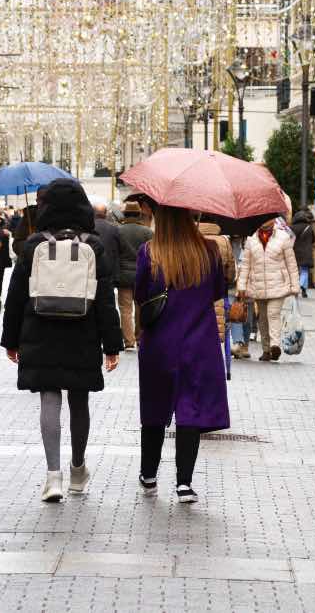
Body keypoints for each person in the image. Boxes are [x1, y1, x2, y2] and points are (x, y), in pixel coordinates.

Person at [1, 179, 122, 502]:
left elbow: (15, 297)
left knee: (49, 399)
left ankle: (53, 475)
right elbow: (106, 301)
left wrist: (10, 339)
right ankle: (78, 469)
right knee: (79, 401)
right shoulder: (93, 246)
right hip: (82, 331)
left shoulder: (34, 244)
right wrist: (112, 345)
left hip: (40, 330)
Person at [136, 205, 230, 503]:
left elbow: (140, 294)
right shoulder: (209, 251)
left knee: (155, 408)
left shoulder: (150, 252)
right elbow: (217, 291)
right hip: (199, 342)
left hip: (159, 342)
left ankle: (149, 475)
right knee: (190, 409)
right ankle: (184, 483)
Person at [236, 217, 300, 362]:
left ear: (274, 220)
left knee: (273, 314)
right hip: (258, 286)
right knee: (262, 319)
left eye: (269, 218)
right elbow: (246, 265)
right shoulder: (251, 239)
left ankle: (275, 346)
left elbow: (291, 263)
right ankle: (266, 350)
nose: (265, 221)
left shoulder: (284, 238)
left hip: (278, 285)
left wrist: (295, 286)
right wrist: (241, 286)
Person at [116, 201, 154, 351]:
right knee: (141, 307)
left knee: (125, 309)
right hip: (142, 274)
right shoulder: (148, 232)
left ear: (125, 214)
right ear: (139, 215)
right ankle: (140, 338)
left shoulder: (118, 231)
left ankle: (129, 341)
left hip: (124, 274)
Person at [198, 220, 237, 348]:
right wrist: (228, 280)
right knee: (218, 321)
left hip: (194, 288)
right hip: (216, 289)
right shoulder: (224, 241)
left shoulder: (189, 238)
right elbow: (230, 268)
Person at [290, 208, 315, 298]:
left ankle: (297, 287)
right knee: (305, 271)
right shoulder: (309, 227)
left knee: (295, 271)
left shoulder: (292, 228)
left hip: (295, 252)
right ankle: (303, 289)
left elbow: (288, 239)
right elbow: (313, 239)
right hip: (306, 252)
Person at [93, 202, 121, 279]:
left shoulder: (89, 228)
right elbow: (117, 251)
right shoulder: (114, 229)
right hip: (108, 273)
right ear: (105, 214)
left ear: (94, 213)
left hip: (92, 270)